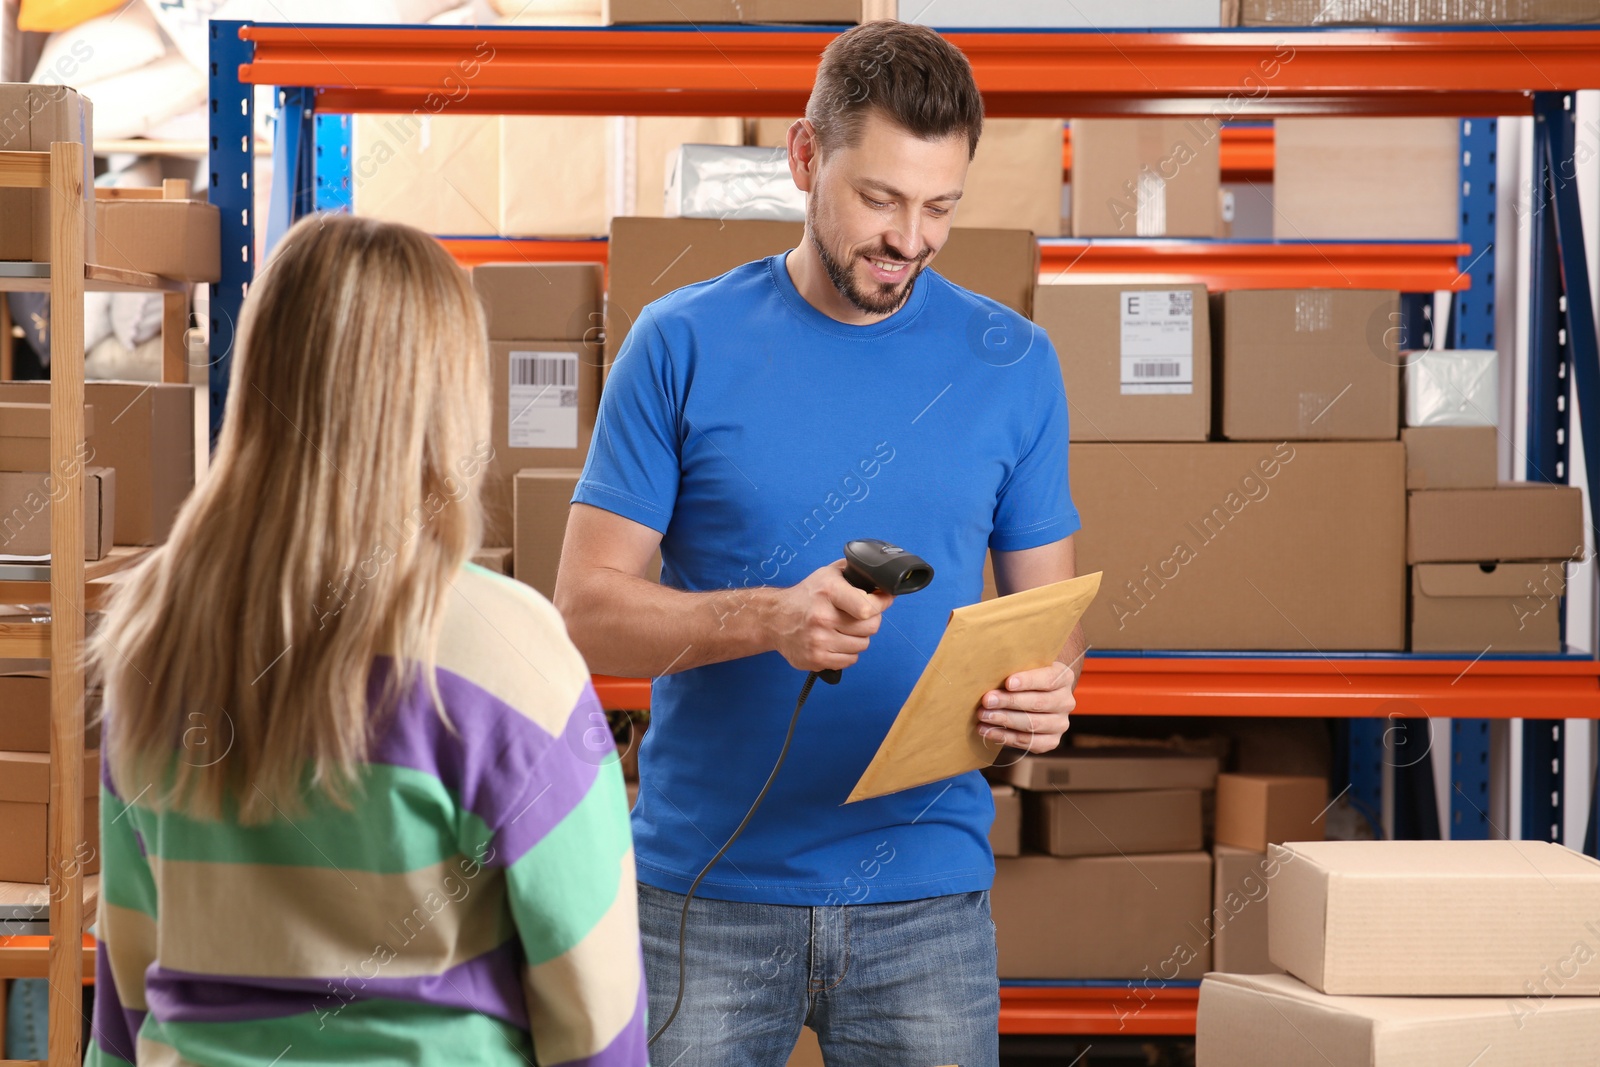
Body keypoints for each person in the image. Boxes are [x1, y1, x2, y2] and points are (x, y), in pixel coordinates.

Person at [556, 20, 1082, 1067]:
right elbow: (584, 609)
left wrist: (1047, 694)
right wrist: (769, 616)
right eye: (879, 199)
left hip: (924, 893)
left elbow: (1050, 631)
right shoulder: (680, 341)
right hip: (705, 892)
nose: (909, 238)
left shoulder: (1014, 364)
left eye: (940, 207)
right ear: (805, 157)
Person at [86, 214, 647, 1067]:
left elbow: (127, 988)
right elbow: (595, 1006)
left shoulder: (155, 637)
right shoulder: (504, 648)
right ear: (448, 398)